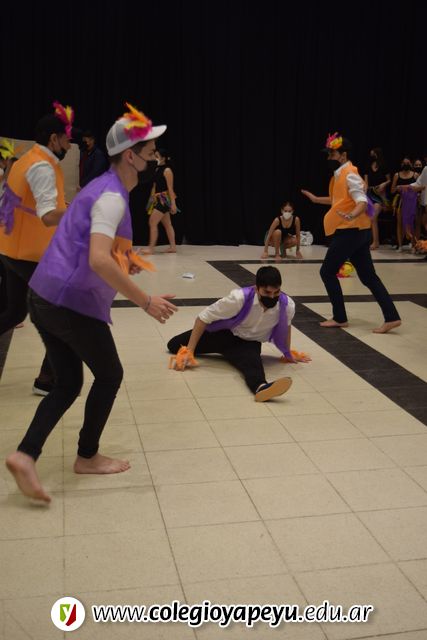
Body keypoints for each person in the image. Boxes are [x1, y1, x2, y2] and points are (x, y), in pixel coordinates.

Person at [5, 103, 178, 503]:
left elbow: (90, 246)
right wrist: (146, 301)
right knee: (110, 374)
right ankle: (87, 456)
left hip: (44, 295)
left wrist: (126, 263)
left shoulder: (101, 188)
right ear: (130, 157)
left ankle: (25, 455)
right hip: (68, 302)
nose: (154, 160)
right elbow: (98, 259)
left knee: (68, 383)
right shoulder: (112, 197)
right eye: (150, 153)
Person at [0, 102, 75, 395]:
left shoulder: (25, 161)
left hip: (10, 250)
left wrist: (64, 205)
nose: (70, 144)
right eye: (67, 139)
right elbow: (47, 215)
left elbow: (27, 204)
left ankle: (48, 376)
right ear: (54, 138)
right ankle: (47, 379)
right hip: (31, 255)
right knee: (64, 312)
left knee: (14, 313)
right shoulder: (43, 166)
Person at [301, 132, 401, 334]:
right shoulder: (340, 175)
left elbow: (361, 201)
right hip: (358, 232)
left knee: (327, 272)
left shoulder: (350, 174)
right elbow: (338, 201)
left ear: (343, 155)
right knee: (368, 277)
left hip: (350, 232)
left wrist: (351, 215)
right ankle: (392, 317)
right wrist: (316, 199)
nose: (329, 157)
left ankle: (340, 317)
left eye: (332, 153)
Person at [167, 266, 310, 402]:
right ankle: (220, 351)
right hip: (222, 334)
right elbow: (203, 317)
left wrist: (287, 353)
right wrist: (189, 351)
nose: (272, 297)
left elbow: (286, 327)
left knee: (252, 364)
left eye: (276, 292)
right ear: (256, 288)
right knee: (174, 345)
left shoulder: (287, 305)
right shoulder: (238, 298)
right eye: (267, 292)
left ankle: (261, 388)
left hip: (249, 343)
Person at [143, 148, 177, 254]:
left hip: (164, 199)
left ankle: (151, 248)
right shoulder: (157, 169)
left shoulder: (167, 170)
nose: (155, 157)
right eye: (155, 155)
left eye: (157, 156)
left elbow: (170, 189)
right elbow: (154, 185)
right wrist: (151, 199)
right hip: (157, 198)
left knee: (152, 222)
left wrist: (173, 204)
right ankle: (173, 247)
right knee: (167, 224)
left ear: (163, 158)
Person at [363, 147, 391, 250]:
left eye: (373, 154)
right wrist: (364, 194)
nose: (372, 156)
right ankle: (371, 241)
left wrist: (384, 184)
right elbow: (366, 183)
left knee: (373, 217)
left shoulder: (384, 166)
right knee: (369, 218)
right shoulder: (367, 166)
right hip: (370, 193)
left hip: (379, 194)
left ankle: (376, 242)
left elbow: (389, 180)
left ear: (377, 154)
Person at [390, 158, 418, 252]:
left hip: (412, 201)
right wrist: (398, 188)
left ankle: (413, 244)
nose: (406, 164)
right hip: (401, 201)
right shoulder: (397, 175)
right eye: (404, 162)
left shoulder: (415, 175)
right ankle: (400, 245)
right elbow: (392, 190)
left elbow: (419, 188)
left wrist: (408, 188)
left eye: (408, 162)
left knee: (412, 222)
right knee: (400, 223)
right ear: (401, 164)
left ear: (410, 164)